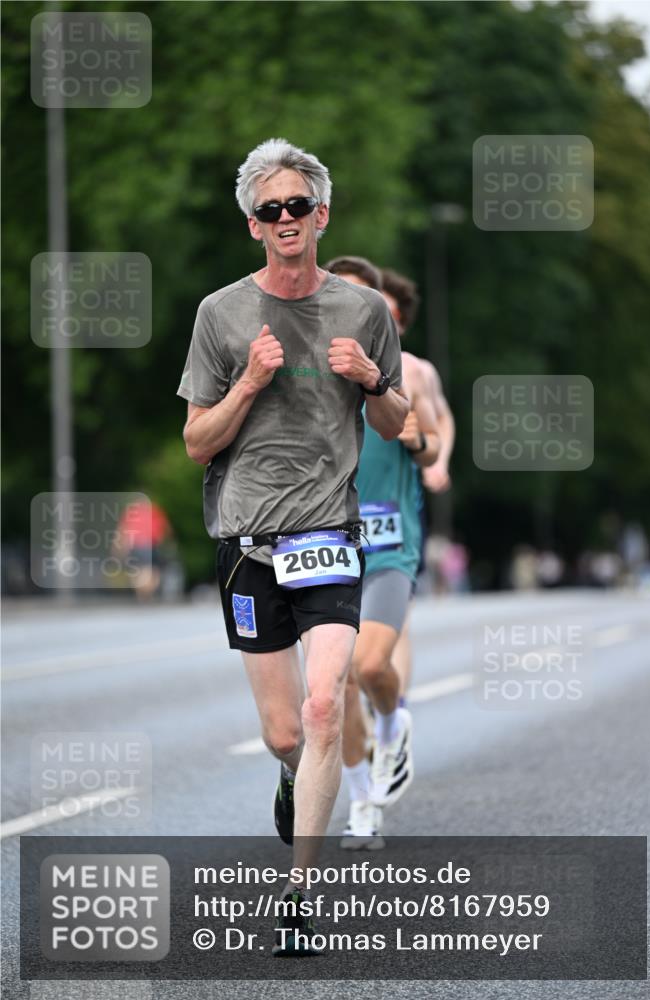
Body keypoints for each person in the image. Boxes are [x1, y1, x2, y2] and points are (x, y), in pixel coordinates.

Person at [177, 139, 408, 952]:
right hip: (246, 539)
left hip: (328, 532)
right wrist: (245, 383)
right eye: (270, 209)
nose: (286, 220)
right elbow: (197, 444)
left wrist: (373, 381)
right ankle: (288, 775)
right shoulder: (220, 315)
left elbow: (397, 423)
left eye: (298, 206)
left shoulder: (363, 313)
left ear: (321, 215)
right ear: (253, 225)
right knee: (285, 733)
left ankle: (300, 898)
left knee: (321, 708)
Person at [325, 256, 440, 849]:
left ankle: (394, 723)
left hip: (389, 544)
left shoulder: (403, 373)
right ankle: (363, 803)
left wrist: (423, 445)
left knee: (372, 668)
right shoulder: (310, 373)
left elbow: (429, 445)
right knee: (337, 685)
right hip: (324, 544)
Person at [380, 268, 455, 698]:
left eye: (388, 312)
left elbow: (439, 423)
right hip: (341, 506)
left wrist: (436, 462)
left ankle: (395, 711)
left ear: (402, 323)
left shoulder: (416, 371)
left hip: (394, 508)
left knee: (397, 621)